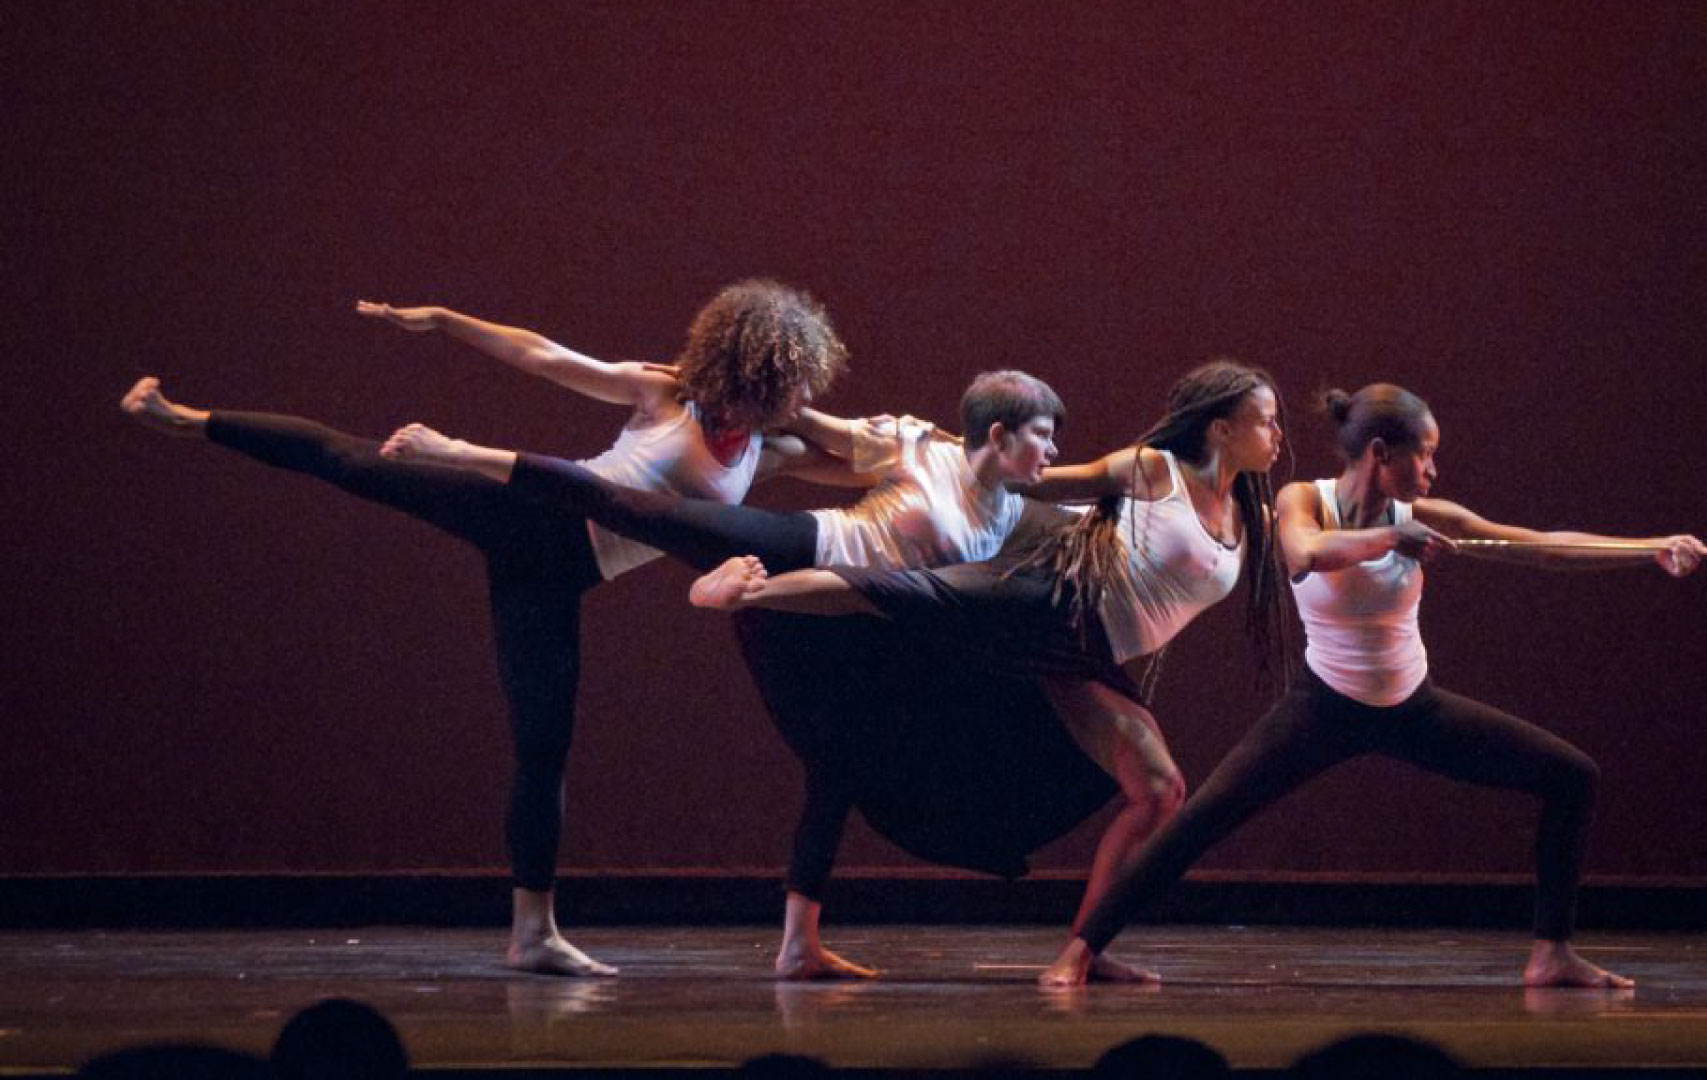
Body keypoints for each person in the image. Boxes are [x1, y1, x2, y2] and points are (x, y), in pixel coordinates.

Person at [119, 280, 847, 977]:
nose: (805, 397)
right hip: (524, 511)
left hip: (556, 577)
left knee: (542, 746)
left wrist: (920, 440)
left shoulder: (765, 452)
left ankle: (533, 936)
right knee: (350, 459)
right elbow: (545, 357)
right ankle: (184, 419)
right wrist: (444, 320)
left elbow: (855, 457)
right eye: (795, 381)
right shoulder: (665, 393)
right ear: (755, 371)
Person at [378, 369, 1070, 978]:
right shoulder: (919, 446)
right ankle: (464, 452)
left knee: (838, 767)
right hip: (810, 551)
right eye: (1043, 435)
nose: (1054, 451)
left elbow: (1106, 497)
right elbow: (803, 423)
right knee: (648, 509)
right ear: (1000, 433)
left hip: (853, 620)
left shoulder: (1017, 510)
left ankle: (799, 947)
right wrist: (739, 382)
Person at [1041, 383, 1707, 988]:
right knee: (1196, 824)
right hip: (1321, 708)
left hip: (1411, 708)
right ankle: (1081, 951)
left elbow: (1537, 543)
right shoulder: (1306, 500)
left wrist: (1648, 547)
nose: (1432, 471)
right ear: (1381, 453)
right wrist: (1390, 540)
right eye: (1425, 457)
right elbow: (1303, 554)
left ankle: (1550, 954)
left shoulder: (1425, 514)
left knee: (1572, 776)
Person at [690, 359, 1287, 981]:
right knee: (901, 591)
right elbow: (1035, 480)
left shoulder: (1254, 524)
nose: (1277, 435)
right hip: (1048, 605)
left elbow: (1323, 536)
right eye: (1266, 422)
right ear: (1220, 428)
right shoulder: (1152, 471)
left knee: (1160, 791)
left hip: (1087, 656)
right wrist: (964, 445)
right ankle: (746, 593)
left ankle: (1085, 949)